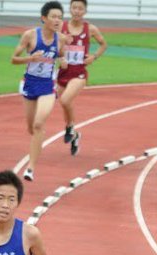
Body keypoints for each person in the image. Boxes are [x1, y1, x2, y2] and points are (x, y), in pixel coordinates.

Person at [12, 0, 67, 182]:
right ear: (44, 18)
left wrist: (64, 61)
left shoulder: (61, 39)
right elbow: (13, 59)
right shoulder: (30, 36)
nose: (57, 20)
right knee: (31, 127)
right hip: (29, 84)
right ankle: (38, 137)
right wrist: (30, 58)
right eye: (53, 17)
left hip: (47, 86)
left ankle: (30, 168)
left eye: (60, 17)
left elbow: (61, 55)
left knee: (38, 124)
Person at [57, 0, 107, 155]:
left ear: (85, 11)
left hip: (79, 72)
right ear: (70, 9)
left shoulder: (90, 29)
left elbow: (103, 44)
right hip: (64, 71)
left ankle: (70, 128)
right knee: (65, 103)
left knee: (65, 100)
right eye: (74, 8)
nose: (77, 11)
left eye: (80, 8)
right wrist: (60, 57)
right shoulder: (61, 27)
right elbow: (54, 45)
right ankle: (75, 135)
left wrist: (94, 57)